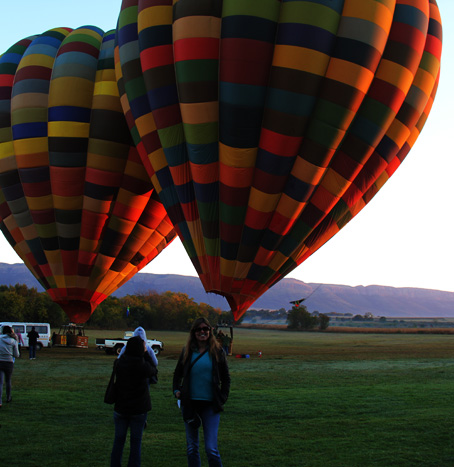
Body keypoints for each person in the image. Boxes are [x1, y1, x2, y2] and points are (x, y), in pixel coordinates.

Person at [173, 318, 231, 467]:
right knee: (192, 448)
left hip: (210, 405)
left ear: (210, 331)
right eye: (198, 329)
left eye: (205, 329)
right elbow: (177, 374)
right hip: (190, 404)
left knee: (211, 449)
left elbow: (225, 377)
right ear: (193, 332)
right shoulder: (187, 351)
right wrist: (176, 390)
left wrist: (222, 397)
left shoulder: (217, 351)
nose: (202, 332)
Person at [110, 336, 157, 467]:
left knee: (118, 441)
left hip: (121, 408)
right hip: (138, 410)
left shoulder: (119, 364)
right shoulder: (142, 366)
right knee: (136, 442)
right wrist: (147, 353)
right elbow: (154, 369)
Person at [0, 326, 20, 408]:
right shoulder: (13, 341)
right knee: (8, 381)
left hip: (0, 361)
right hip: (9, 362)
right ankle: (8, 397)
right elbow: (17, 355)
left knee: (0, 382)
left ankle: (0, 401)